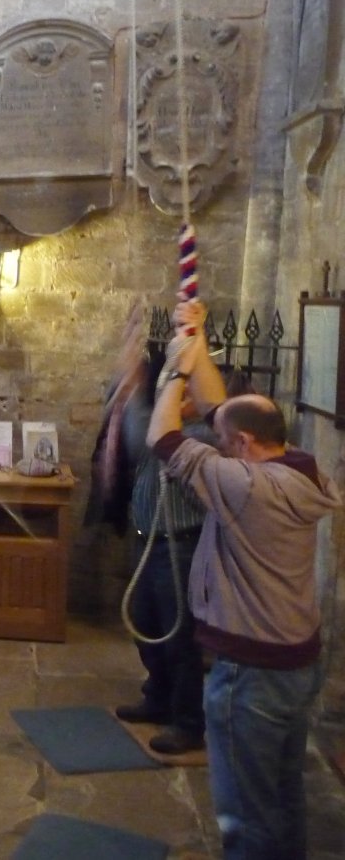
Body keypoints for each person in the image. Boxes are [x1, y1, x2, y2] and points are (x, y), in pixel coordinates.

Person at [147, 298, 341, 860]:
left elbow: (163, 439)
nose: (218, 444)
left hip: (250, 673)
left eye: (226, 443)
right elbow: (220, 411)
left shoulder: (247, 487)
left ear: (245, 446)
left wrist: (176, 370)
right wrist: (197, 339)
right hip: (294, 662)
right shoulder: (300, 467)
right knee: (280, 796)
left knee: (244, 813)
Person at [114, 345, 211, 755]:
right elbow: (138, 441)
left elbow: (147, 442)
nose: (174, 400)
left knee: (180, 638)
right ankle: (157, 696)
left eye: (182, 393)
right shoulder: (165, 428)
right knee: (146, 623)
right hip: (148, 541)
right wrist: (135, 387)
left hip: (179, 547)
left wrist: (137, 391)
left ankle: (188, 723)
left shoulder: (200, 436)